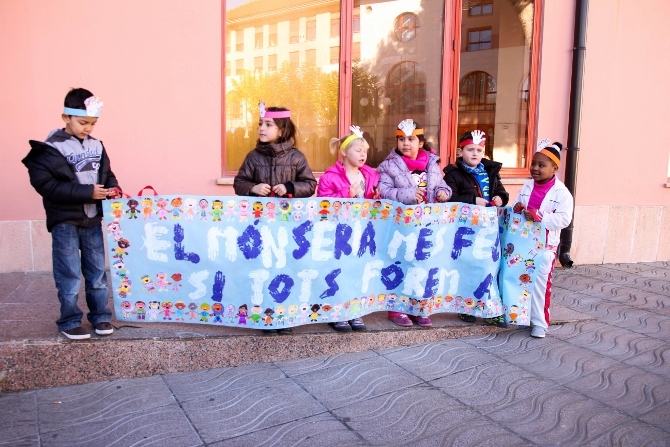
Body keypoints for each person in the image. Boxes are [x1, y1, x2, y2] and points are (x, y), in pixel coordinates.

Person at [22, 88, 121, 340]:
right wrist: (88, 192)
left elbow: (107, 174)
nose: (88, 128)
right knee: (69, 274)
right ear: (66, 117)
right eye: (83, 122)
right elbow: (46, 185)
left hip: (92, 220)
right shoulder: (49, 149)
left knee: (97, 273)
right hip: (64, 221)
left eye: (93, 123)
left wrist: (113, 189)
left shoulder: (97, 145)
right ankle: (69, 320)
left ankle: (100, 316)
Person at [234, 102, 317, 334]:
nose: (261, 128)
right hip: (260, 225)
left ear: (282, 129)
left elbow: (310, 184)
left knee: (286, 268)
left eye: (268, 124)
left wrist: (290, 187)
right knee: (262, 268)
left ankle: (285, 315)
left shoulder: (296, 157)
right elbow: (239, 182)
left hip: (287, 226)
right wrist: (253, 188)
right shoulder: (253, 157)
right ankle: (264, 315)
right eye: (260, 123)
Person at [377, 119, 451, 328]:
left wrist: (443, 192)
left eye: (411, 139)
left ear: (421, 142)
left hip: (427, 225)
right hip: (401, 226)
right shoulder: (389, 166)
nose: (406, 143)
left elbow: (441, 184)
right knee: (401, 264)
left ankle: (419, 307)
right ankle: (397, 309)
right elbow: (383, 191)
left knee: (423, 266)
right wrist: (408, 194)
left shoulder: (432, 164)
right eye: (401, 139)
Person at [317, 125, 380, 332]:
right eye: (358, 150)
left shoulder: (370, 175)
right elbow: (323, 205)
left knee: (356, 270)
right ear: (344, 152)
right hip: (339, 233)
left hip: (361, 233)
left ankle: (354, 310)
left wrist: (375, 198)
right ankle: (336, 312)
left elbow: (371, 200)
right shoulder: (329, 177)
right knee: (338, 271)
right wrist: (346, 194)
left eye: (365, 151)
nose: (363, 155)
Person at [444, 130, 509, 328]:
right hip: (465, 230)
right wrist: (473, 200)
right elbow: (451, 198)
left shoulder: (490, 171)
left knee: (489, 268)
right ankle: (466, 307)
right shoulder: (453, 174)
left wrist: (501, 198)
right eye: (470, 149)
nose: (474, 153)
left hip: (489, 229)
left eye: (479, 150)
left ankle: (490, 309)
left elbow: (502, 192)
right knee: (467, 267)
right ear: (460, 151)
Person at [513, 140, 573, 338]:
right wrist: (518, 208)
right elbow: (517, 205)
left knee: (540, 286)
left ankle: (540, 323)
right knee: (521, 282)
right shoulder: (527, 185)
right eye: (533, 164)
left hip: (545, 248)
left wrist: (540, 216)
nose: (535, 168)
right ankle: (521, 316)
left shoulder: (562, 193)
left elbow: (564, 219)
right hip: (523, 243)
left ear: (554, 168)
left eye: (541, 165)